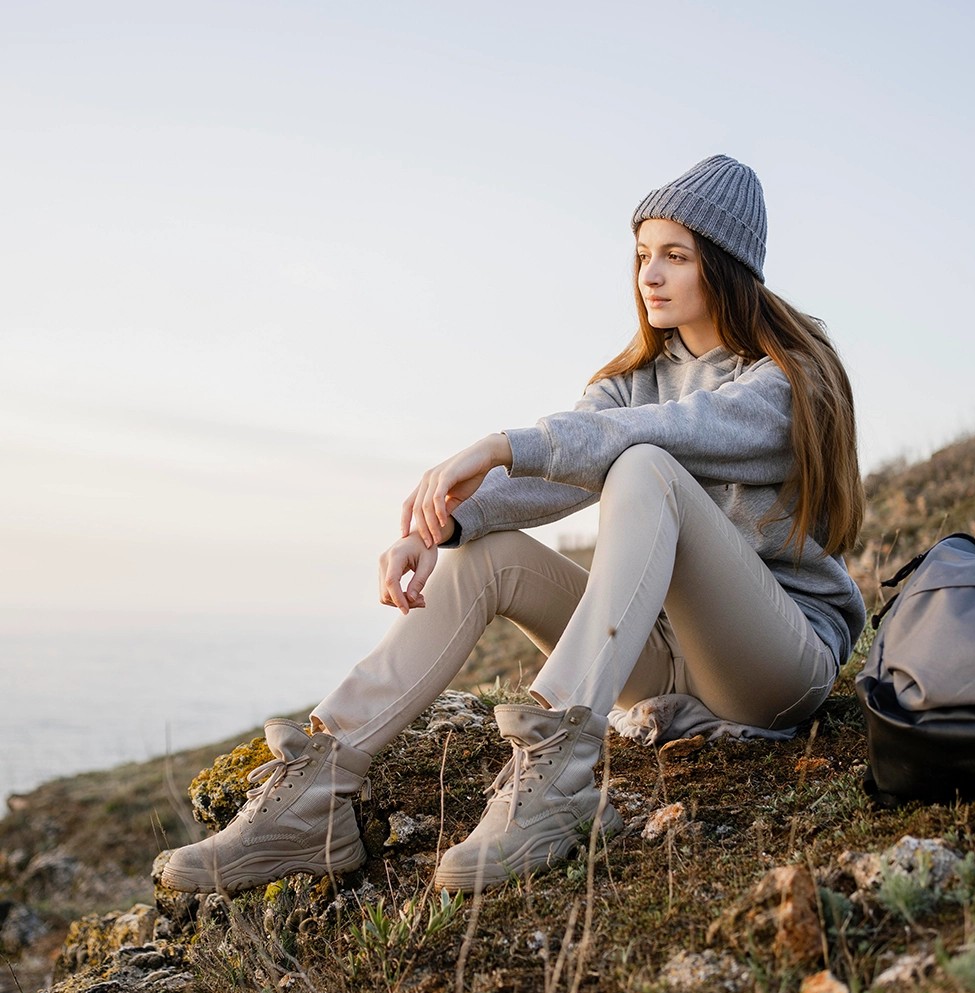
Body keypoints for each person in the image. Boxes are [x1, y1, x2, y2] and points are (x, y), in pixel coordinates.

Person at [159, 154, 867, 895]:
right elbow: (554, 470)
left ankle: (558, 774)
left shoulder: (786, 379)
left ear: (725, 268)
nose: (649, 276)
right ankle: (317, 790)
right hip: (660, 657)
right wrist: (435, 527)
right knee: (488, 551)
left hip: (774, 667)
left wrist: (503, 442)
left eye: (675, 257)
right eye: (641, 255)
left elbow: (668, 432)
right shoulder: (633, 380)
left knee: (643, 463)